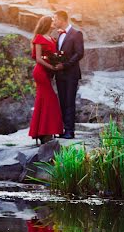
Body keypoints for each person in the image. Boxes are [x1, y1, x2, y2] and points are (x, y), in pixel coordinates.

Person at [28, 15, 64, 144]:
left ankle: (44, 132)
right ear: (47, 24)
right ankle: (45, 132)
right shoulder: (39, 38)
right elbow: (38, 58)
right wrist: (51, 67)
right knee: (50, 99)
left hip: (48, 72)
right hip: (41, 72)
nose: (54, 22)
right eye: (52, 21)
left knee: (45, 99)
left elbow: (53, 55)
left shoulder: (52, 39)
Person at [53, 10, 84, 139]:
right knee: (62, 102)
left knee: (70, 102)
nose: (53, 22)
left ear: (62, 20)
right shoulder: (59, 35)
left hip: (71, 74)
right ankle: (62, 129)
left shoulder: (76, 34)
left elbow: (79, 53)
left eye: (55, 19)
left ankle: (70, 131)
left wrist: (65, 65)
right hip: (60, 74)